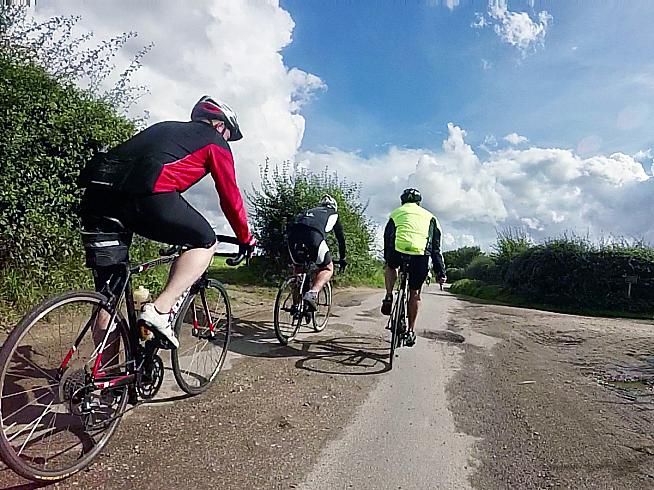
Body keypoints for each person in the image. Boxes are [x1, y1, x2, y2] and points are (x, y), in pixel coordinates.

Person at [78, 96, 255, 348]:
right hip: (147, 197)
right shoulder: (216, 142)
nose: (227, 140)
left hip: (97, 199)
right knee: (206, 242)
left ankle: (108, 381)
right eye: (229, 133)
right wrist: (245, 237)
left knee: (109, 297)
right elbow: (230, 197)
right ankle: (159, 311)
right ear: (218, 125)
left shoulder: (163, 128)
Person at [381, 188, 446, 347]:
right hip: (420, 255)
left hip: (397, 250)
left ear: (402, 201)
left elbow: (387, 236)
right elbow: (436, 248)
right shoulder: (431, 218)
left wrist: (387, 257)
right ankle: (410, 330)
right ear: (419, 203)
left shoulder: (396, 213)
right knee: (415, 294)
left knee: (390, 267)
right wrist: (440, 272)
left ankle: (389, 295)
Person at [286, 195, 347, 310]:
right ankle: (312, 293)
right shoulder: (333, 213)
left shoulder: (310, 211)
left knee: (298, 269)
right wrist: (343, 258)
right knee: (327, 268)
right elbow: (341, 239)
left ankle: (296, 306)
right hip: (314, 236)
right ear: (334, 207)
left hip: (292, 235)